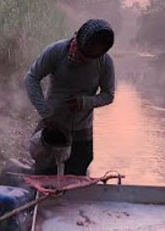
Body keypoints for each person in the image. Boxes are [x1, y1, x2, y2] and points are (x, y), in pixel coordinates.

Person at [24, 19, 115, 176]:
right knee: (44, 173)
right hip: (52, 124)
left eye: (98, 51)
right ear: (80, 40)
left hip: (82, 128)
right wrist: (46, 113)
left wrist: (85, 102)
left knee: (78, 174)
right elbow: (31, 78)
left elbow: (108, 95)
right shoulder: (57, 51)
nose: (91, 55)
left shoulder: (104, 62)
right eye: (88, 49)